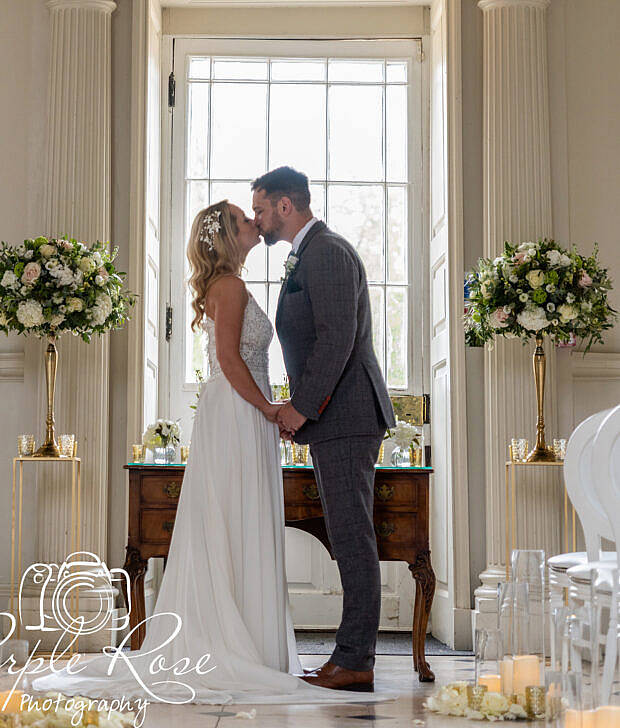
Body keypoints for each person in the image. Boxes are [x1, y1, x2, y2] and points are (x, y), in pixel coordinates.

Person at [32, 200, 387, 706]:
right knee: (235, 521)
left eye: (257, 212)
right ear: (225, 236)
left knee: (242, 522)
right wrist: (270, 407)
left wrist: (285, 407)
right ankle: (240, 646)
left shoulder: (243, 281)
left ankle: (261, 645)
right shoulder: (231, 287)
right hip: (240, 413)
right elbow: (227, 358)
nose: (254, 223)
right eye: (246, 218)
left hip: (246, 414)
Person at [252, 167, 396, 692]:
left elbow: (336, 339)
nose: (259, 219)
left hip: (347, 415)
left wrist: (301, 408)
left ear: (286, 206)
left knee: (353, 538)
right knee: (347, 534)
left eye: (263, 209)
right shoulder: (310, 253)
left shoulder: (328, 252)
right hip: (337, 416)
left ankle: (355, 659)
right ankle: (351, 655)